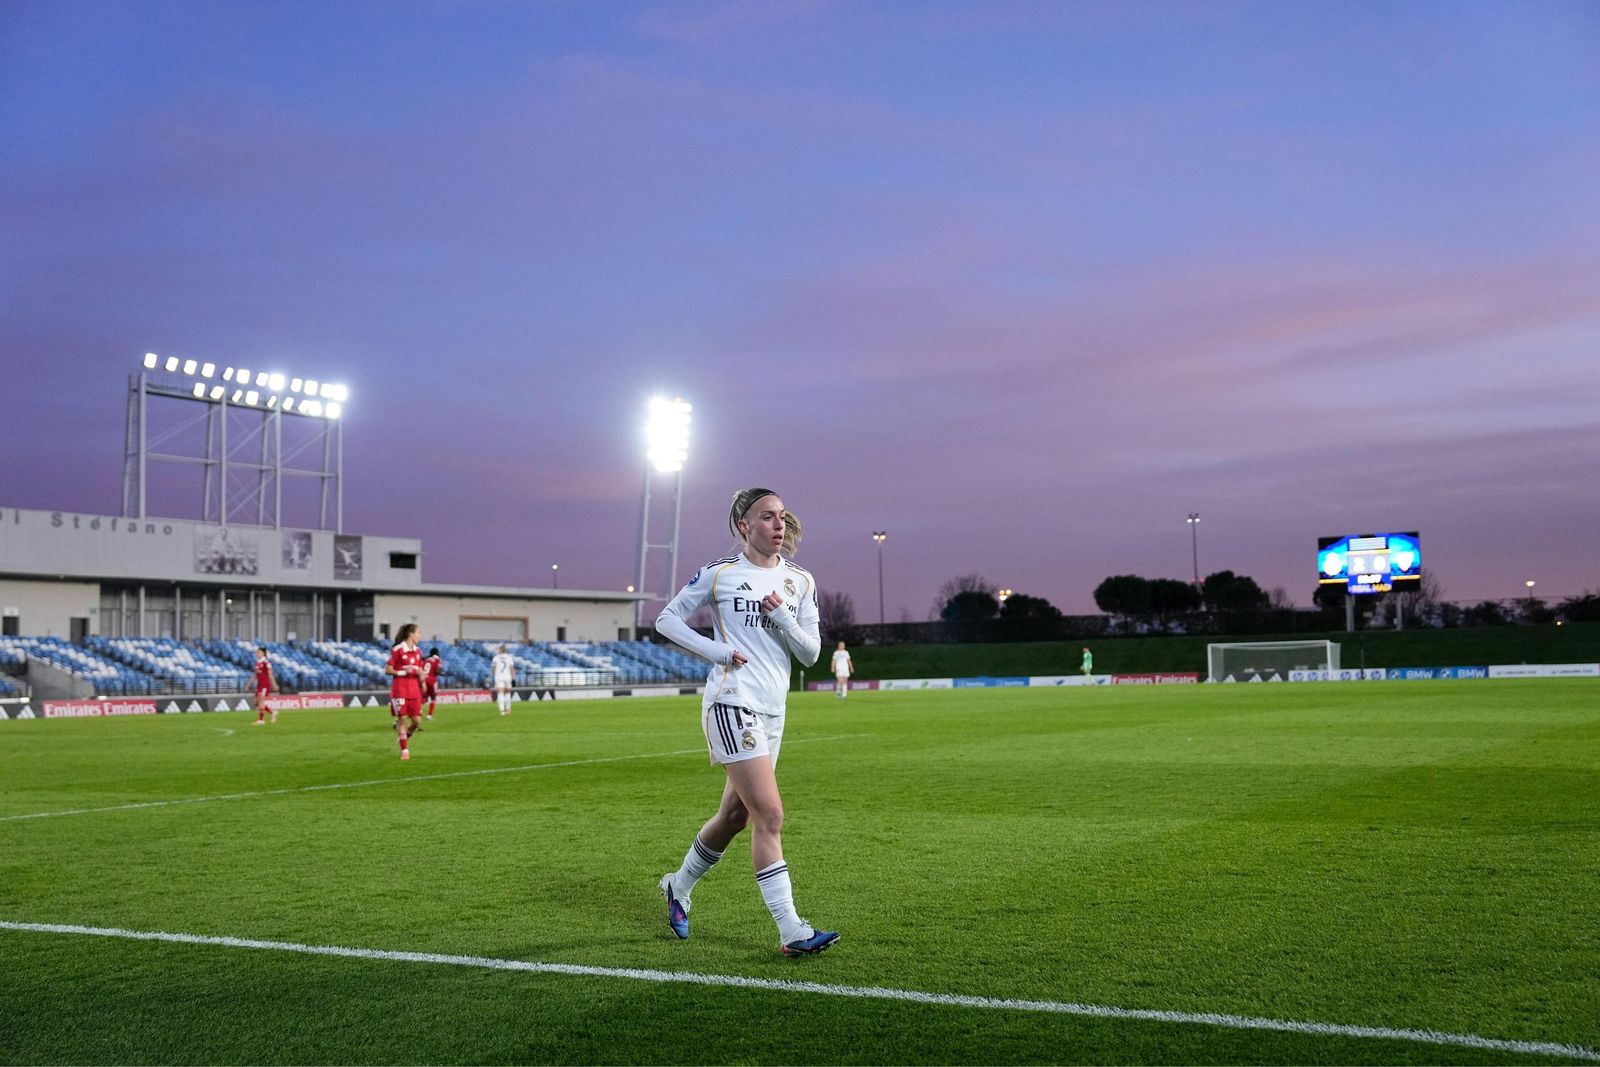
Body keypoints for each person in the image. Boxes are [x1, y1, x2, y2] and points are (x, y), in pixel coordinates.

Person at [654, 487, 839, 957]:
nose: (778, 525)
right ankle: (792, 931)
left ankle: (678, 885)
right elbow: (667, 619)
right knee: (770, 814)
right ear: (744, 526)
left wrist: (782, 619)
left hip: (773, 709)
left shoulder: (800, 582)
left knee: (735, 816)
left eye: (781, 517)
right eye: (766, 517)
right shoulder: (721, 575)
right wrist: (717, 651)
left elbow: (811, 654)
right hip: (731, 701)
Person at [386, 623, 426, 760]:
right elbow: (388, 670)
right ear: (411, 634)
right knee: (402, 719)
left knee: (416, 721)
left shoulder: (418, 651)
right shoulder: (397, 650)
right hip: (400, 689)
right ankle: (404, 750)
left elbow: (419, 669)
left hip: (414, 689)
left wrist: (422, 679)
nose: (419, 636)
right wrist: (404, 671)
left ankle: (403, 738)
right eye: (418, 633)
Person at [252, 647, 277, 725]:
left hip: (265, 684)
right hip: (259, 684)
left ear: (263, 653)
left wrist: (274, 684)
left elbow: (270, 674)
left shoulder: (267, 662)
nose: (257, 653)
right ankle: (272, 712)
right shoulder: (257, 663)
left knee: (261, 701)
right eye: (257, 652)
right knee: (257, 702)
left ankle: (261, 720)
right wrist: (249, 684)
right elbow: (255, 674)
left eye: (258, 652)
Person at [490, 645, 516, 716]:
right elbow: (512, 669)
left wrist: (494, 676)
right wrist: (513, 678)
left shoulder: (495, 658)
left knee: (500, 693)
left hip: (499, 677)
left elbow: (493, 669)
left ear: (500, 650)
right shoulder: (509, 657)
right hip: (508, 677)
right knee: (507, 692)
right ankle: (508, 710)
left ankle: (502, 711)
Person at [421, 647, 442, 720]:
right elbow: (437, 670)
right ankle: (429, 715)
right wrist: (442, 673)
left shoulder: (426, 660)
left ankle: (418, 712)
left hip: (424, 679)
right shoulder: (437, 659)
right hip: (432, 680)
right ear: (437, 653)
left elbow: (422, 668)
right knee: (433, 698)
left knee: (423, 699)